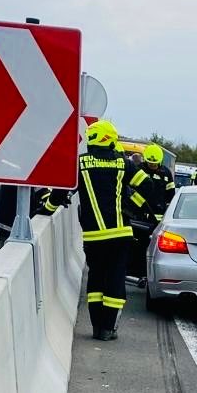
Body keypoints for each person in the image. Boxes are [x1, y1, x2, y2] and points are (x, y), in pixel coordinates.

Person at [76, 120, 132, 340]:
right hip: (119, 235)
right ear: (109, 139)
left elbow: (61, 193)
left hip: (93, 237)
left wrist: (47, 208)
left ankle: (96, 327)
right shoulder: (123, 163)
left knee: (96, 279)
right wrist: (136, 206)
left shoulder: (80, 164)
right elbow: (145, 186)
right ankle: (108, 329)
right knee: (115, 280)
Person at [125, 143, 174, 282]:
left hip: (158, 220)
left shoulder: (166, 174)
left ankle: (152, 275)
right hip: (139, 218)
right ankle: (138, 273)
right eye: (150, 163)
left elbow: (170, 195)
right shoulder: (138, 170)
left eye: (155, 164)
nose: (152, 166)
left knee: (155, 249)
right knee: (138, 246)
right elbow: (129, 191)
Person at [0, 186, 60, 255]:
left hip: (7, 216)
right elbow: (38, 186)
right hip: (12, 218)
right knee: (6, 246)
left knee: (4, 243)